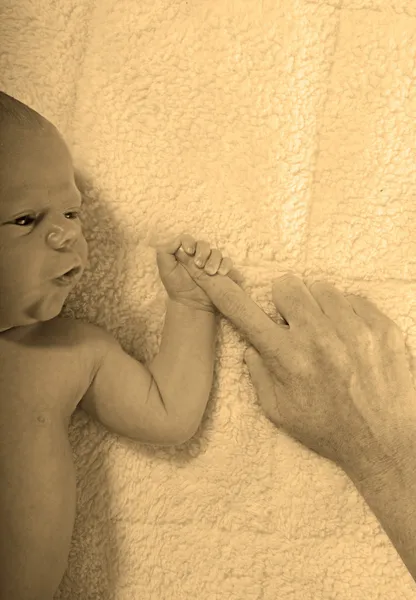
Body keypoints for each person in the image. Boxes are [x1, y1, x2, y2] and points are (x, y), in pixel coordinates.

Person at [0, 90, 414, 600]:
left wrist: (191, 306)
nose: (67, 236)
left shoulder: (68, 352)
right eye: (26, 220)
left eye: (71, 214)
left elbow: (169, 414)